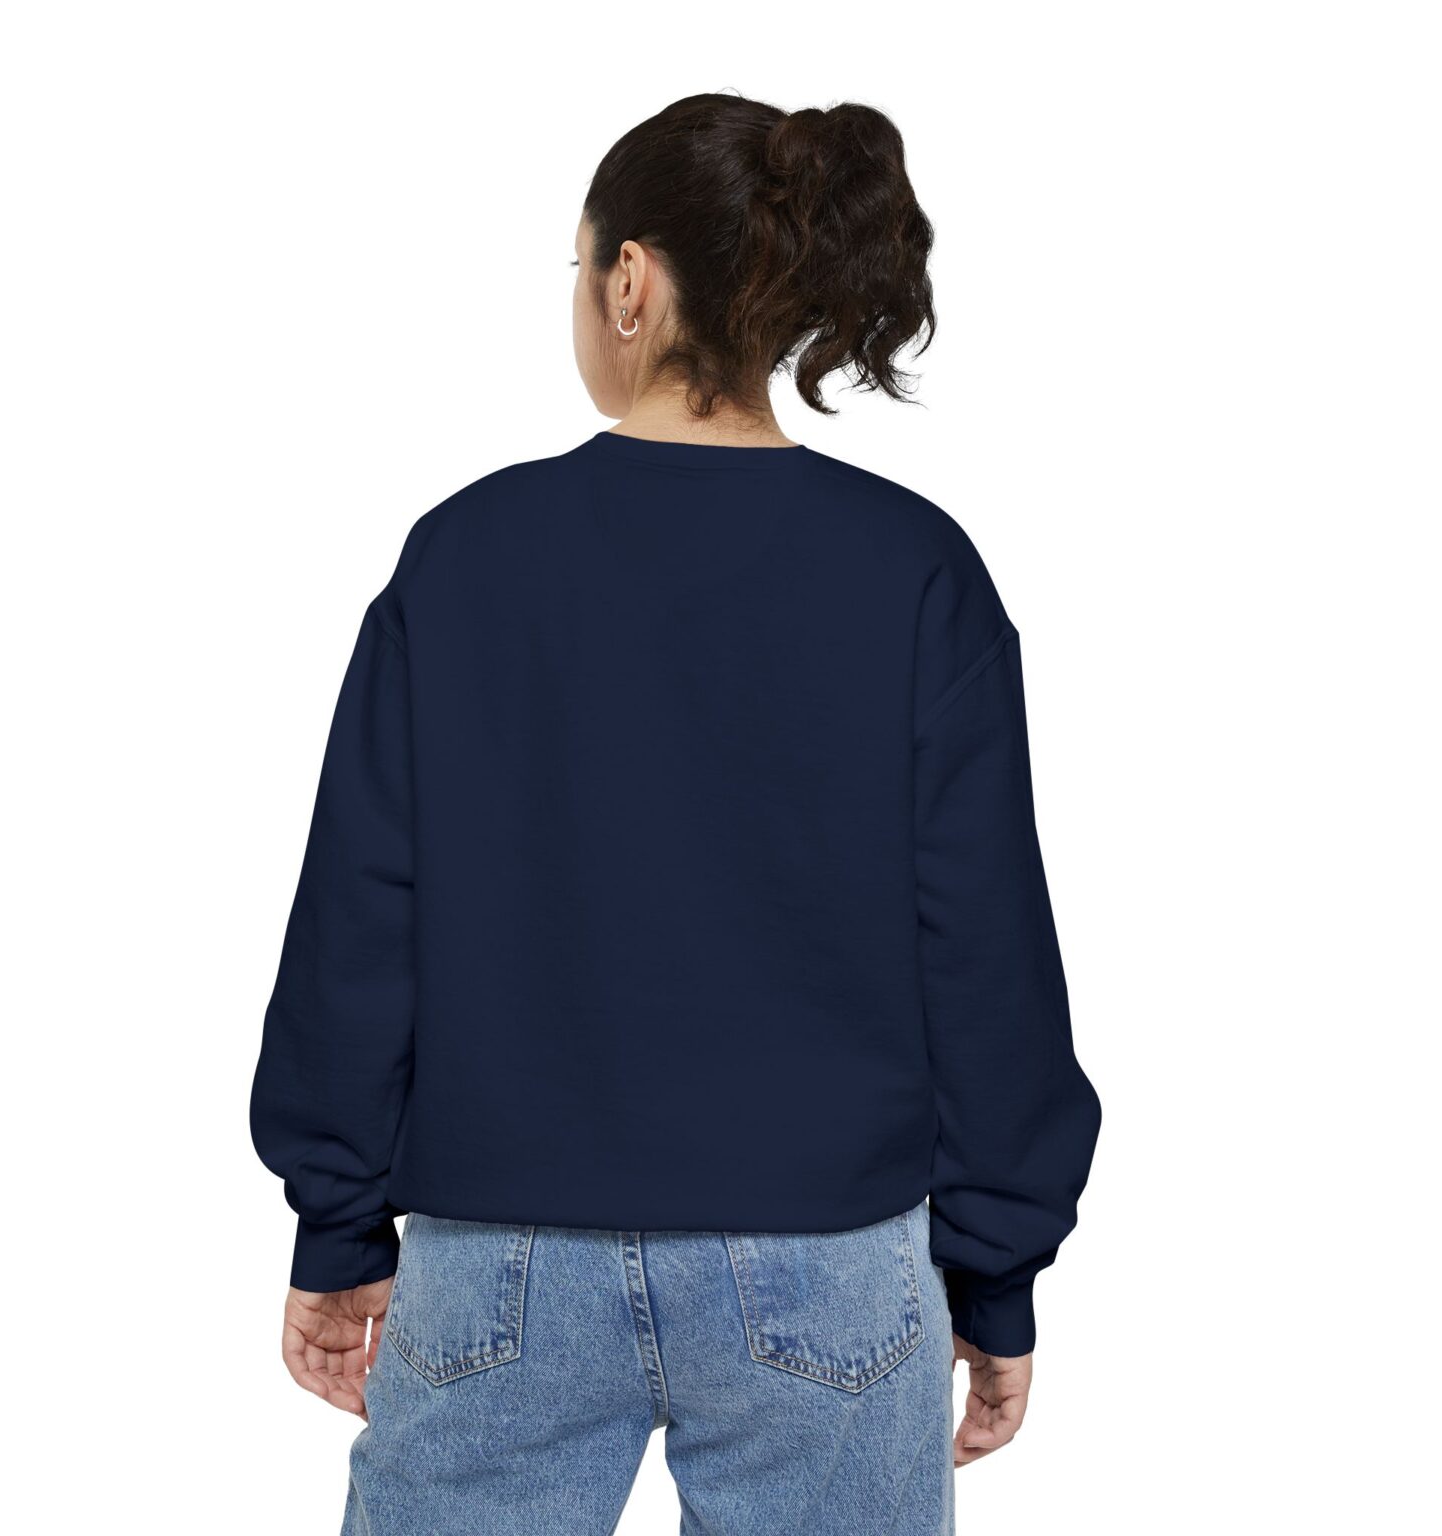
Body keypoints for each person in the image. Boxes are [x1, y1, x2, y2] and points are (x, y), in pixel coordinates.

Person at [251, 93, 1101, 1536]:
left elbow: (361, 916)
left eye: (578, 267)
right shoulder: (916, 573)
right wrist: (998, 1268)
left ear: (630, 281)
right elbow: (984, 950)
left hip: (501, 1255)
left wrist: (336, 1224)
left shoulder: (465, 559)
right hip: (832, 1258)